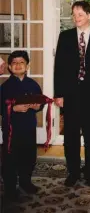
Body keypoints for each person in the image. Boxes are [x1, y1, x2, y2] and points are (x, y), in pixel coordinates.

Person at [54, 1, 90, 187]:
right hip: (70, 94)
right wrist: (59, 94)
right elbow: (59, 68)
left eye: (80, 14)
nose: (76, 18)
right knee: (70, 136)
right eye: (73, 14)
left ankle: (89, 173)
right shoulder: (65, 36)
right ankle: (72, 172)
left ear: (89, 15)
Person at [1, 51, 43, 200]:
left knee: (29, 156)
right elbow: (1, 106)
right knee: (10, 158)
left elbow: (40, 103)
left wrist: (37, 106)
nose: (18, 65)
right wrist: (12, 108)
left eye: (22, 62)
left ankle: (26, 182)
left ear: (27, 66)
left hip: (29, 127)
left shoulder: (33, 85)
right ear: (10, 68)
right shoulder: (4, 87)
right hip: (12, 129)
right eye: (14, 63)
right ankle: (11, 188)